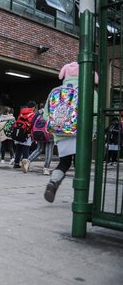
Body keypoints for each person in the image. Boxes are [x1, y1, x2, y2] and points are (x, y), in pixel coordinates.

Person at [43, 62, 98, 203]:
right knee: (81, 166)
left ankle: (53, 182)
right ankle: (79, 198)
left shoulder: (55, 90)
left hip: (61, 134)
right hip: (82, 134)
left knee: (64, 163)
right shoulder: (89, 90)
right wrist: (94, 132)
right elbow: (95, 113)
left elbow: (46, 115)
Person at [27, 108, 54, 175]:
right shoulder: (53, 109)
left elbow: (33, 120)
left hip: (39, 131)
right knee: (49, 149)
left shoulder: (41, 110)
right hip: (49, 132)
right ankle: (46, 168)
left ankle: (28, 161)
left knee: (39, 148)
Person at [13, 101, 36, 170]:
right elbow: (33, 125)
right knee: (26, 149)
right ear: (34, 107)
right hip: (27, 133)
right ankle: (25, 165)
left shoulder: (21, 113)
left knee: (18, 149)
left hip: (19, 133)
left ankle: (16, 163)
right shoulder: (32, 114)